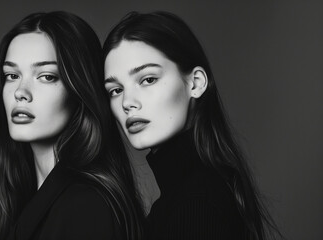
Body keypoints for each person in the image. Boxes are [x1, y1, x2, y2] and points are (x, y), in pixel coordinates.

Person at [103, 11, 281, 240]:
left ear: (195, 83)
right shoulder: (187, 195)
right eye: (115, 90)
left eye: (148, 79)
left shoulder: (197, 203)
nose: (128, 103)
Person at [0, 11, 144, 240]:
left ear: (79, 91)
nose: (21, 92)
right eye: (11, 75)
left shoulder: (86, 205)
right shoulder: (22, 198)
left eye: (46, 76)